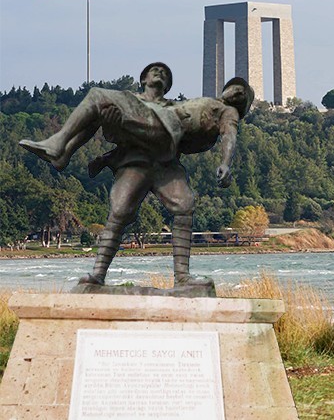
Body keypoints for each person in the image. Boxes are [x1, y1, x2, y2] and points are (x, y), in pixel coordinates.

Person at [19, 62, 254, 288]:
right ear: (143, 79)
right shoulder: (131, 104)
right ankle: (98, 275)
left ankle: (182, 276)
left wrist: (225, 162)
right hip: (136, 161)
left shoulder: (220, 110)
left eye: (242, 93)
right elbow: (116, 134)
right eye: (155, 70)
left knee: (184, 205)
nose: (236, 92)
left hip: (165, 156)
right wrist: (109, 142)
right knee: (119, 212)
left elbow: (229, 135)